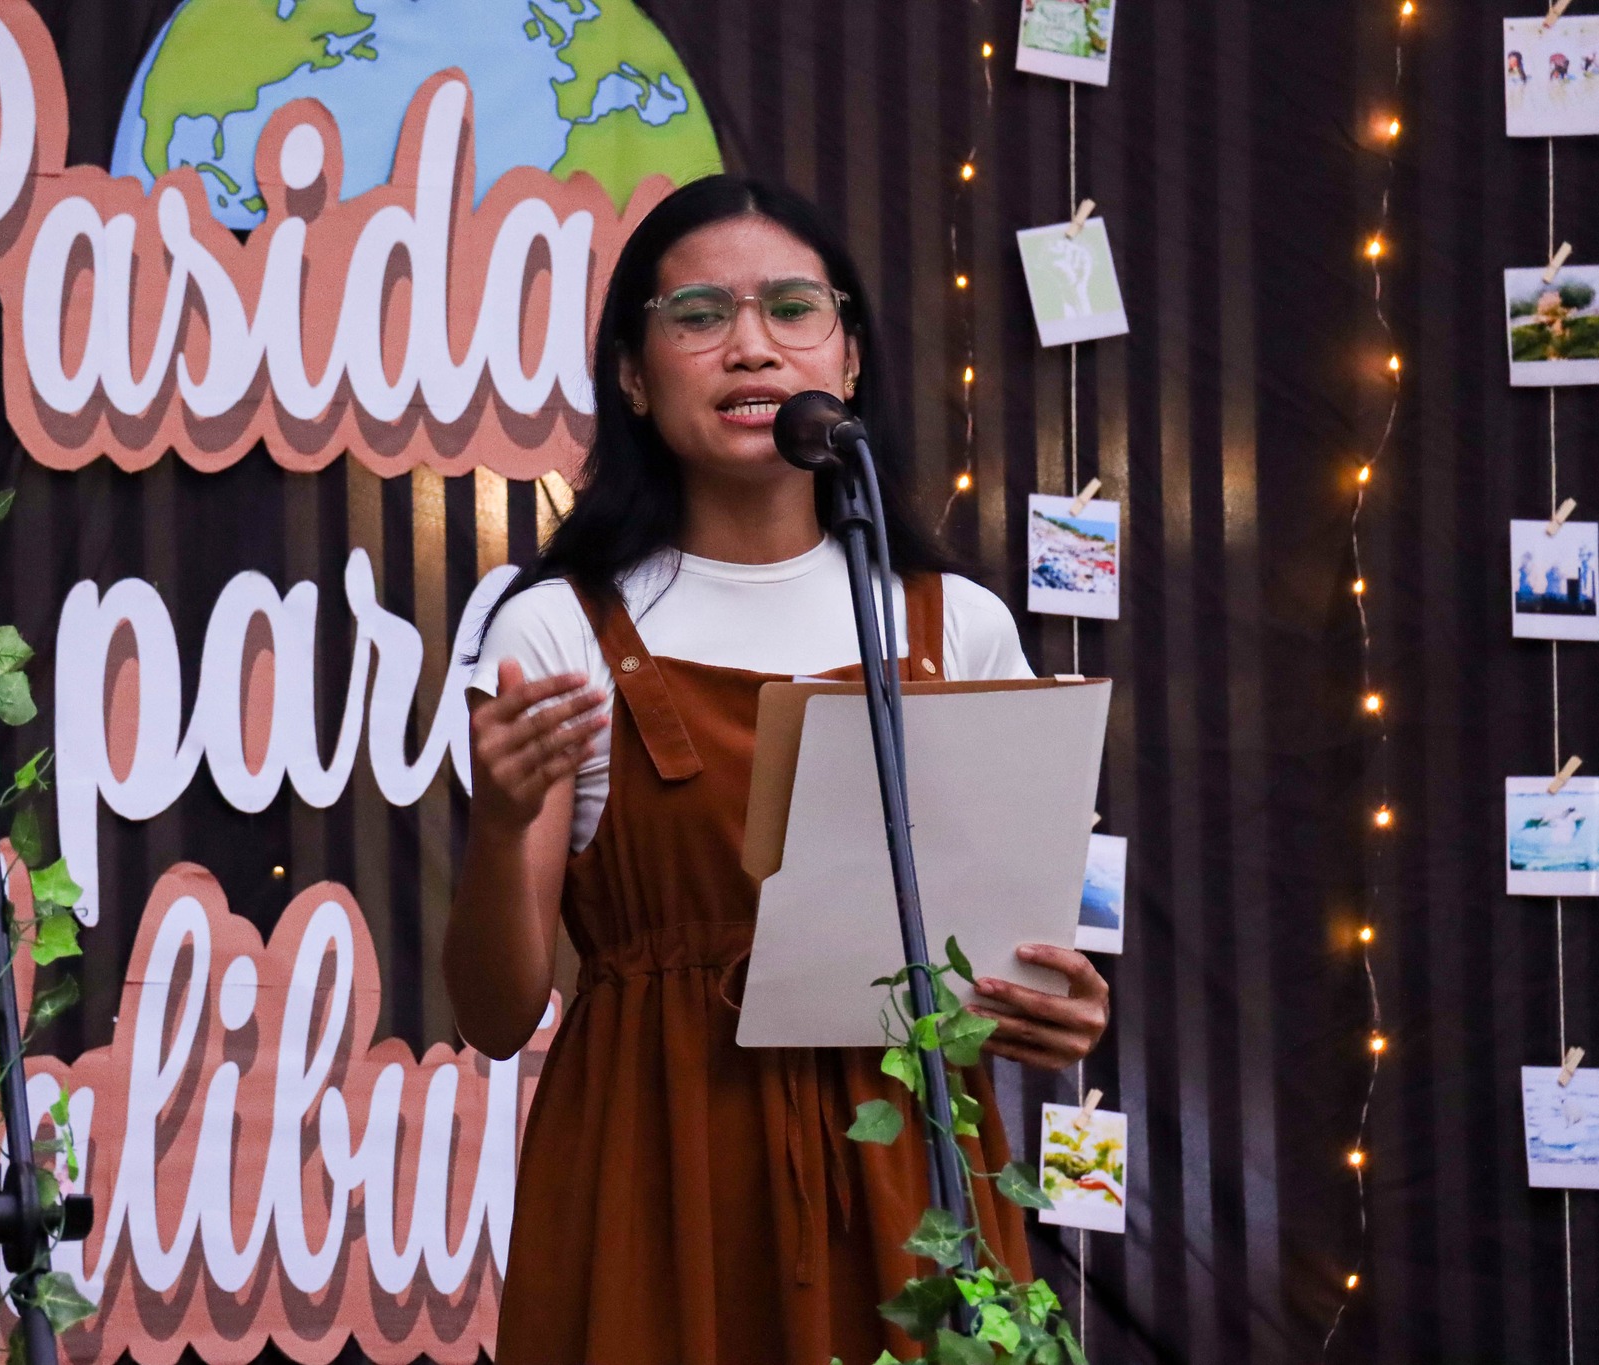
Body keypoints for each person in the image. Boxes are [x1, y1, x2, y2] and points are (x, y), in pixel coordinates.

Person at [444, 174, 1110, 1365]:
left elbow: (998, 960)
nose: (750, 346)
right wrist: (499, 825)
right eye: (698, 315)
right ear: (633, 376)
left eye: (792, 309)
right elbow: (494, 1017)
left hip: (908, 1182)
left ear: (846, 359)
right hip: (655, 1176)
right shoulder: (555, 629)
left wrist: (1054, 1008)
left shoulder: (953, 626)